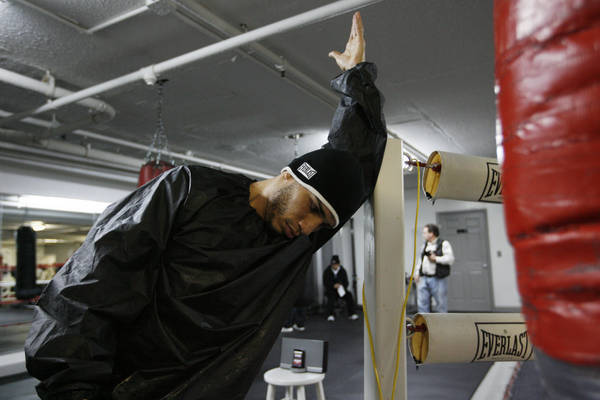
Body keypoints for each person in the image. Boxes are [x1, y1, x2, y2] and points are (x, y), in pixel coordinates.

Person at [24, 12, 387, 400]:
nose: (311, 227)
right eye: (313, 206)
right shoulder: (188, 190)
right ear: (289, 175)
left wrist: (356, 82)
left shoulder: (292, 242)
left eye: (323, 222)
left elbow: (356, 166)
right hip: (129, 389)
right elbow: (88, 287)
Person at [415, 223, 455, 313]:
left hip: (438, 279)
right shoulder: (424, 245)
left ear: (431, 233)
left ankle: (442, 322)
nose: (423, 235)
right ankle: (424, 321)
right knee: (422, 303)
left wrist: (436, 258)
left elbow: (450, 259)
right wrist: (417, 273)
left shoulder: (444, 244)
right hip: (423, 278)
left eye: (424, 233)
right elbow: (420, 260)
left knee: (441, 303)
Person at [323, 255, 359, 321]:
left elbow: (346, 282)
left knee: (349, 295)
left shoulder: (342, 271)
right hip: (331, 290)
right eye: (333, 265)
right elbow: (325, 283)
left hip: (341, 290)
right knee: (331, 297)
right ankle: (330, 315)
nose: (334, 266)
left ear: (338, 264)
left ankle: (352, 314)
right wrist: (333, 286)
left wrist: (341, 286)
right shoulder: (327, 271)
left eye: (336, 264)